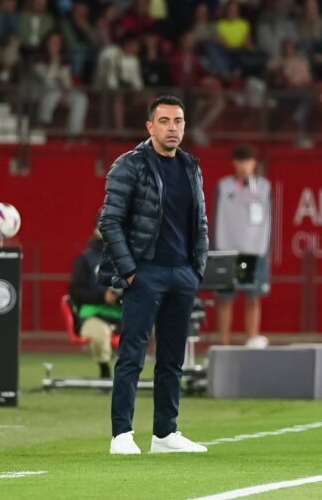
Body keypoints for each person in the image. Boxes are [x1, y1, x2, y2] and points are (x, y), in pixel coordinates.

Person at [99, 94, 208, 455]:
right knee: (132, 355)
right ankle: (121, 434)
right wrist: (131, 272)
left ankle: (165, 433)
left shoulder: (191, 166)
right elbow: (109, 221)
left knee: (173, 359)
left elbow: (200, 222)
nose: (172, 128)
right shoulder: (129, 165)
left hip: (182, 274)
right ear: (150, 126)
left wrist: (196, 269)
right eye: (164, 121)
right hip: (146, 273)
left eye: (178, 121)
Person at [213, 144, 271, 345]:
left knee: (252, 298)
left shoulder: (263, 187)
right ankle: (223, 343)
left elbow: (269, 220)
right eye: (240, 161)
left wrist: (265, 249)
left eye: (248, 161)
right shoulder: (224, 186)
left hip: (253, 251)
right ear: (234, 163)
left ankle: (252, 341)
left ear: (254, 163)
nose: (244, 166)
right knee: (225, 299)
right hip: (227, 250)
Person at [68, 216, 122, 379]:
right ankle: (105, 369)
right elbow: (76, 291)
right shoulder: (85, 259)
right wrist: (102, 296)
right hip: (93, 315)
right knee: (100, 334)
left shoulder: (126, 258)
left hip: (123, 315)